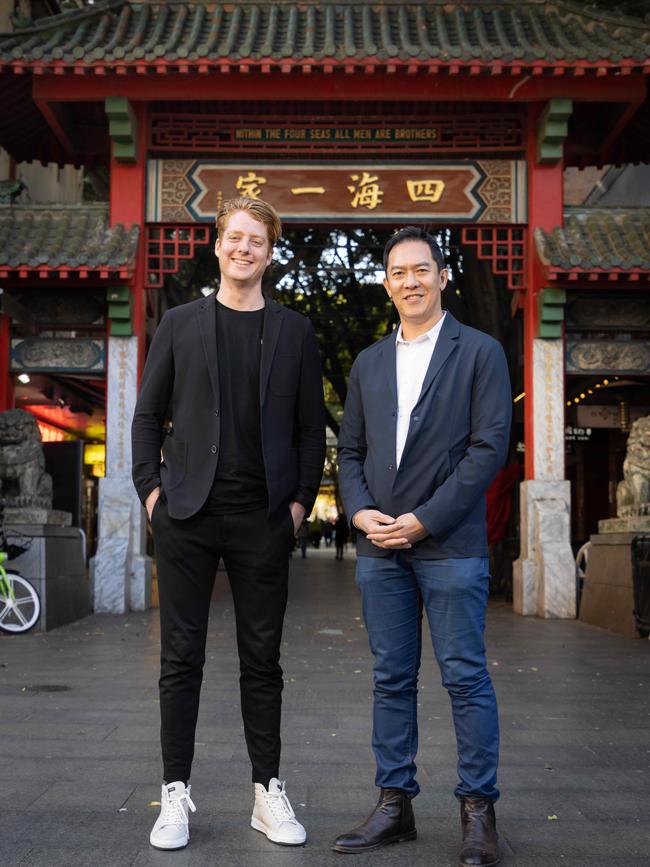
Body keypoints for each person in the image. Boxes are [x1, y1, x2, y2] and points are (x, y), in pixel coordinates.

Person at [131, 196, 326, 851]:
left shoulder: (295, 331)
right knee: (180, 659)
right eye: (234, 237)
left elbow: (309, 428)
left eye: (256, 240)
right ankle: (175, 793)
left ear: (270, 251)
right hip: (185, 514)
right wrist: (151, 496)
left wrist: (298, 505)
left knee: (262, 660)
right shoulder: (183, 324)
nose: (244, 248)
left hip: (262, 518)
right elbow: (143, 417)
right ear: (217, 245)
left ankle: (266, 791)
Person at [334, 226, 511, 866]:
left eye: (421, 270)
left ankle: (478, 811)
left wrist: (424, 520)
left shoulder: (480, 352)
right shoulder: (369, 362)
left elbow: (489, 448)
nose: (410, 281)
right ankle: (393, 806)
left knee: (464, 677)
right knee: (390, 678)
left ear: (441, 277)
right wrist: (359, 512)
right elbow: (349, 451)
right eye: (398, 272)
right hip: (381, 547)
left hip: (452, 544)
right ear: (387, 284)